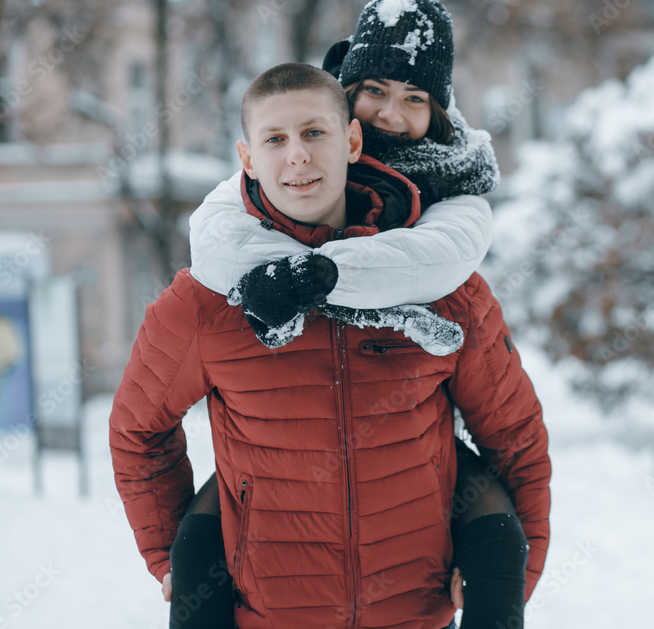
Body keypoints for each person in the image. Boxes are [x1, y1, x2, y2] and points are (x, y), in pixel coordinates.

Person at [109, 62, 551, 629]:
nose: (297, 155)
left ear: (352, 140)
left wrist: (515, 578)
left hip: (416, 614)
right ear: (248, 158)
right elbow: (137, 430)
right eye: (275, 139)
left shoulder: (442, 286)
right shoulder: (205, 302)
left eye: (314, 132)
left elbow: (514, 436)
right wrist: (175, 560)